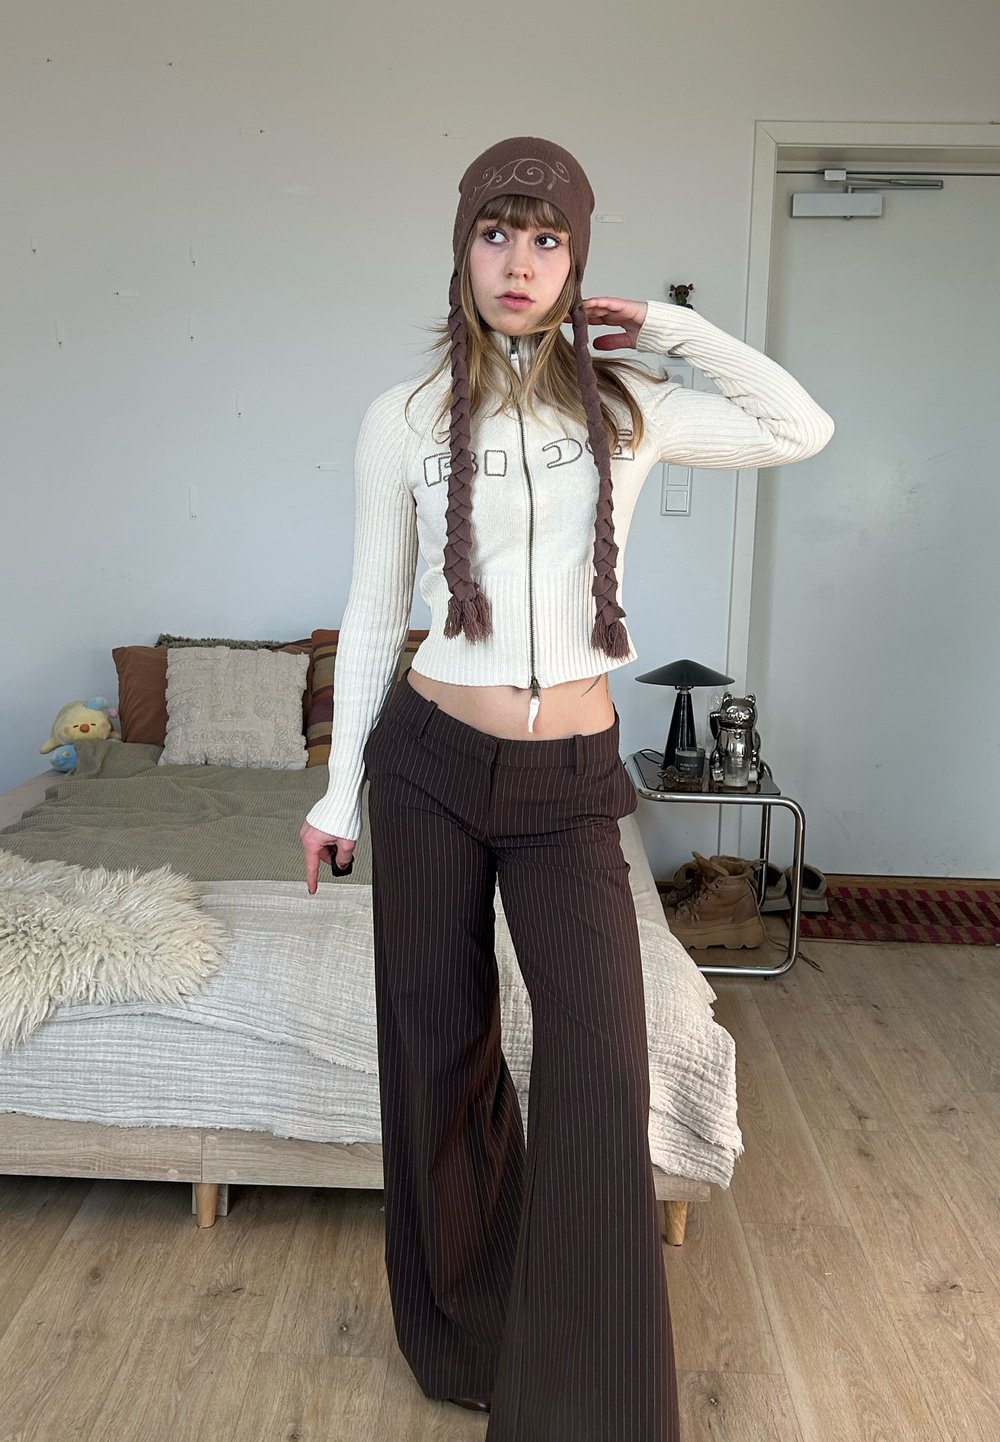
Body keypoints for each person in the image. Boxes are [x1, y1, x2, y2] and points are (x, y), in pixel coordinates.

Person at [300, 136, 834, 1441]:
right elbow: (372, 611)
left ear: (577, 258)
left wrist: (665, 328)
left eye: (548, 239)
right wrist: (336, 794)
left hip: (571, 778)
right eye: (498, 233)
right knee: (437, 1050)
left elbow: (798, 425)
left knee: (600, 1060)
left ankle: (583, 1396)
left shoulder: (630, 406)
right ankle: (464, 1336)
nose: (520, 262)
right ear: (463, 247)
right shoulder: (403, 417)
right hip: (429, 764)